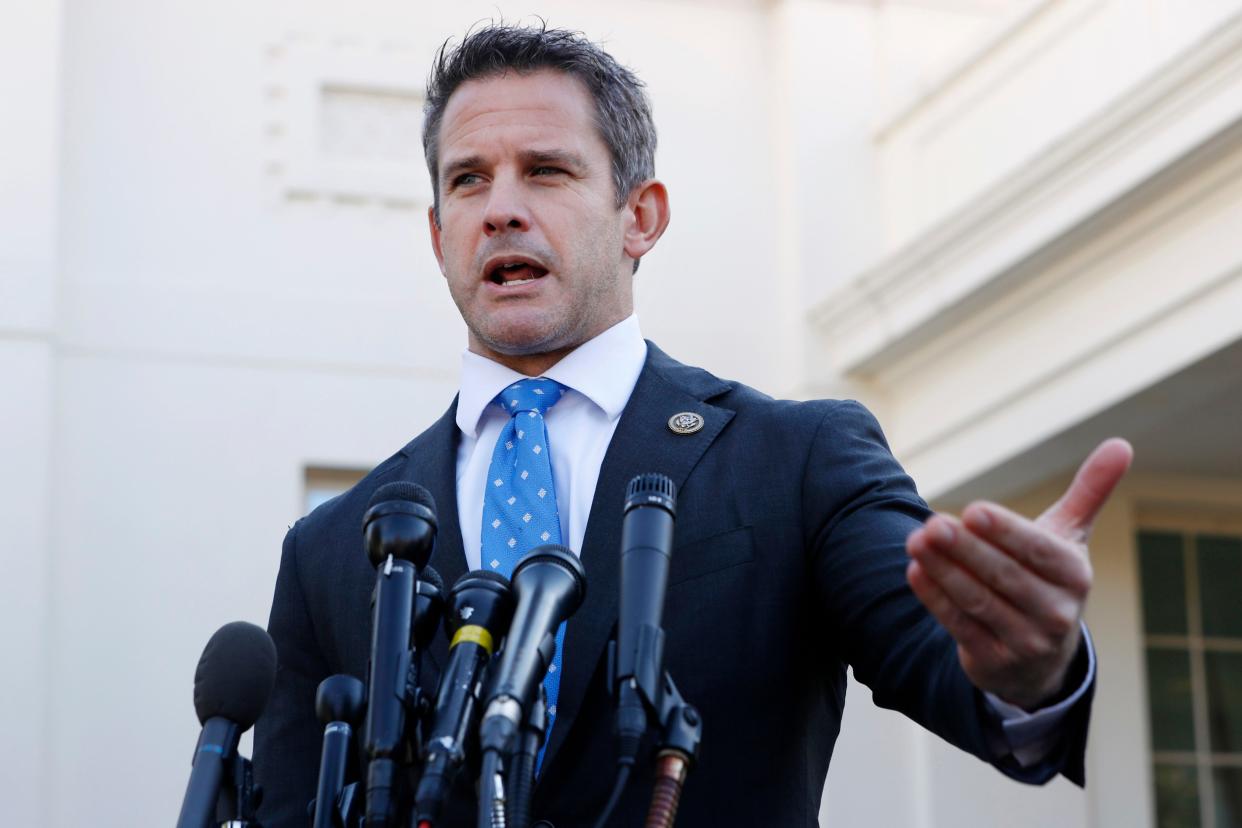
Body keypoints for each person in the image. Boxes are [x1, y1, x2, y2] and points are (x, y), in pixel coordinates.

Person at [253, 23, 1132, 828]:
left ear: (641, 217)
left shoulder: (795, 459)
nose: (501, 208)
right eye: (468, 179)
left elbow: (950, 662)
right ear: (438, 233)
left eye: (547, 171)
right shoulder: (332, 547)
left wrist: (1032, 666)